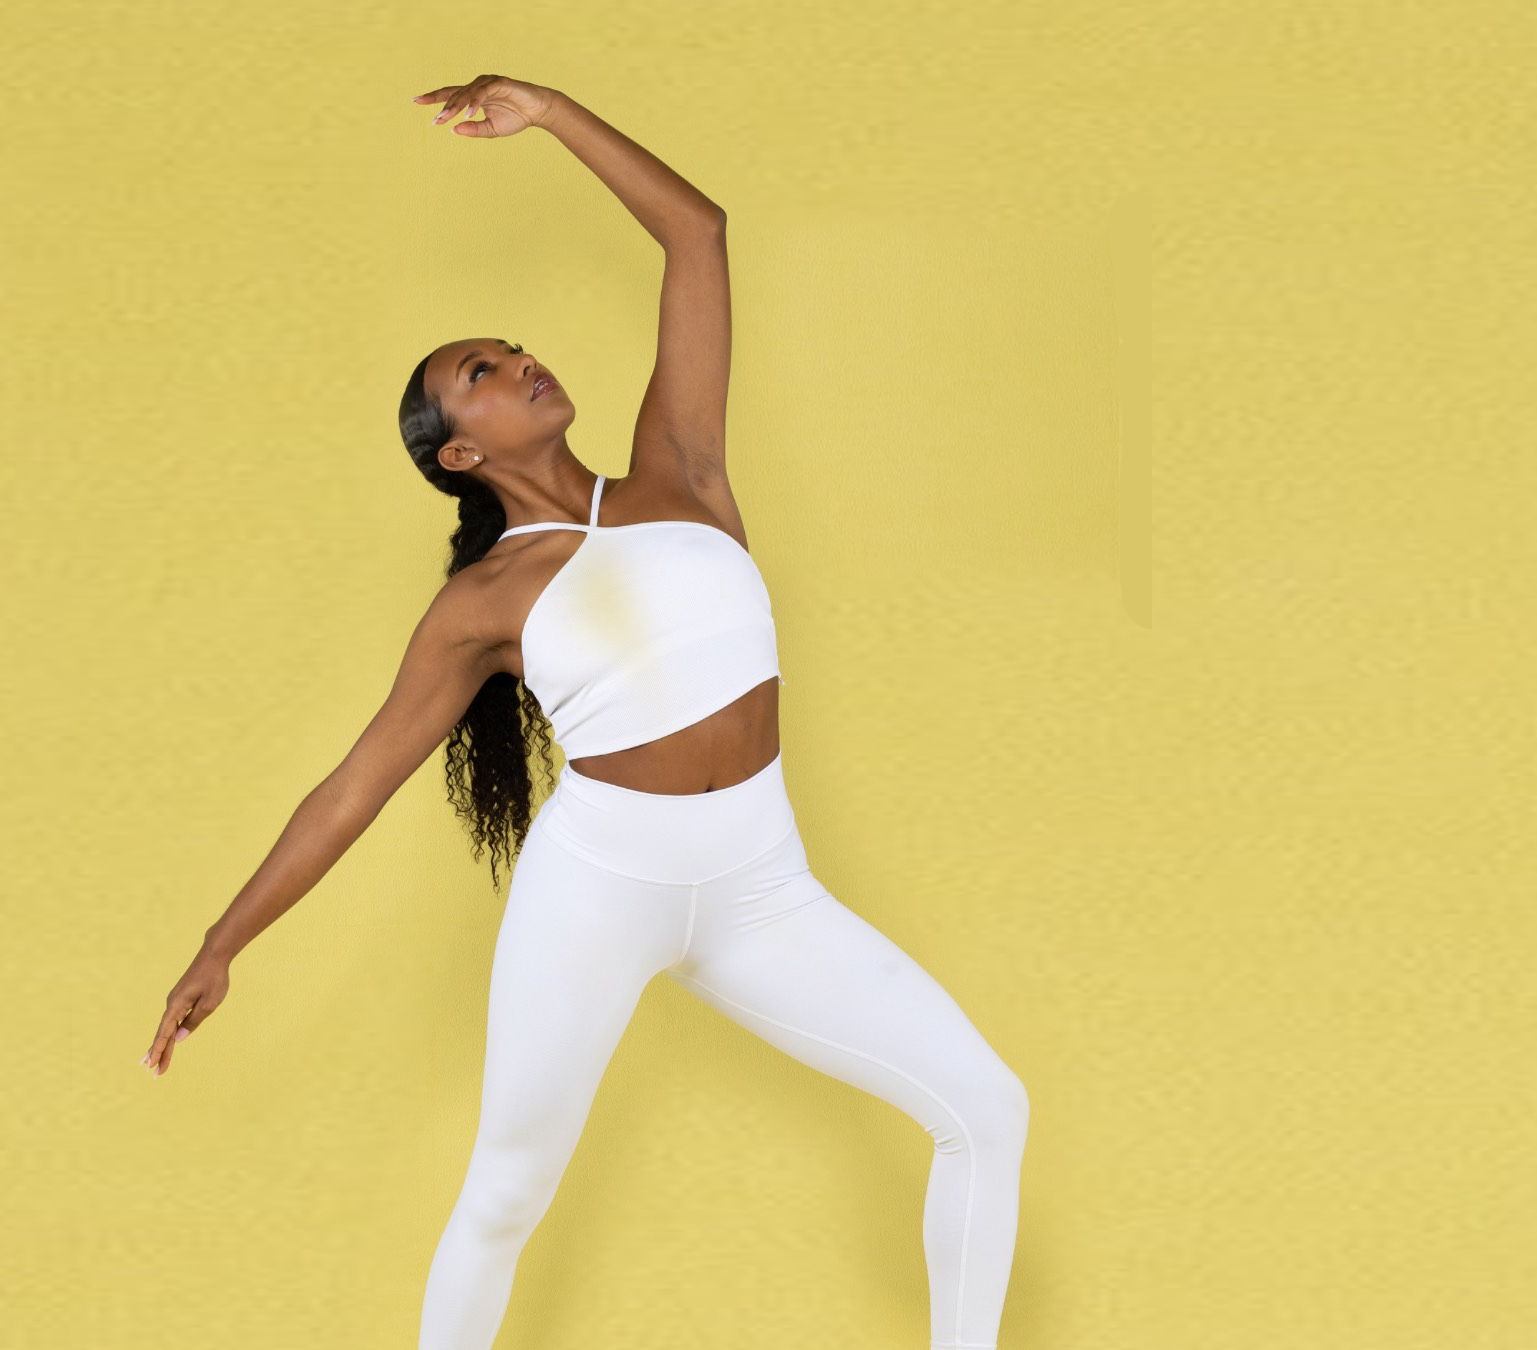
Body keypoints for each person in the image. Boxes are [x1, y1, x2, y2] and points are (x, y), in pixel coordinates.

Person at [142, 75, 1029, 1350]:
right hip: (599, 892)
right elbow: (353, 786)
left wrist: (550, 114)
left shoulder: (679, 470)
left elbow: (696, 232)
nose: (520, 364)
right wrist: (222, 943)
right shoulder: (483, 601)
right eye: (483, 373)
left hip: (761, 889)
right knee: (507, 1192)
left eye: (510, 349)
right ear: (459, 453)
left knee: (984, 1107)